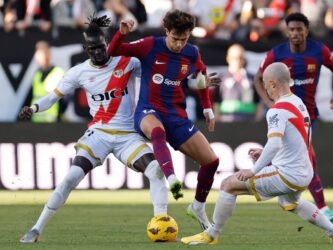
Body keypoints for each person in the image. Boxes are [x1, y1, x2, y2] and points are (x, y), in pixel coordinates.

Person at [18, 15, 168, 243]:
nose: (98, 53)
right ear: (85, 49)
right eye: (92, 50)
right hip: (98, 134)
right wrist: (34, 107)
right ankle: (37, 228)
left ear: (107, 43)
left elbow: (154, 77)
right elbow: (53, 97)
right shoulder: (78, 73)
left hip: (128, 136)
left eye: (101, 48)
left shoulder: (128, 62)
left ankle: (162, 224)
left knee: (156, 170)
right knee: (71, 177)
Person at [181, 62, 333, 245]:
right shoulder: (298, 102)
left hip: (288, 174)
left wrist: (253, 171)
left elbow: (275, 144)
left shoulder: (277, 110)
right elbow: (295, 141)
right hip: (305, 172)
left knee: (228, 185)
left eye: (266, 84)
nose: (266, 89)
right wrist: (264, 152)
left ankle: (211, 234)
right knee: (290, 203)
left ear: (273, 84)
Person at [107, 10, 221, 230]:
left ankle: (197, 206)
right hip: (148, 110)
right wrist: (120, 34)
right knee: (157, 131)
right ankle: (172, 180)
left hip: (176, 114)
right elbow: (114, 51)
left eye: (184, 39)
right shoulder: (150, 45)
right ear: (166, 31)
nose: (179, 44)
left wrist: (207, 108)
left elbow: (200, 80)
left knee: (212, 162)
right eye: (175, 39)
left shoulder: (191, 53)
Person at [254, 12, 333, 222]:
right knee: (304, 159)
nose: (296, 33)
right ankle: (318, 206)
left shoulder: (319, 50)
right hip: (285, 113)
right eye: (292, 29)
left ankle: (300, 201)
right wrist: (269, 102)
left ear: (307, 30)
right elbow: (259, 78)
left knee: (305, 158)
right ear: (287, 31)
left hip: (306, 115)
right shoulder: (276, 53)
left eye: (299, 29)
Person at [213, 44, 262, 122]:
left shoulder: (252, 79)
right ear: (228, 58)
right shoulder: (221, 78)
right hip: (226, 123)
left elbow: (258, 103)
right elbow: (216, 102)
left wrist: (257, 122)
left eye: (241, 58)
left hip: (248, 123)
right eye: (235, 58)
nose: (238, 61)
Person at [29, 41, 65, 123]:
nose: (36, 56)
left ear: (47, 54)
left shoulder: (58, 72)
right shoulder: (37, 73)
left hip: (52, 122)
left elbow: (64, 100)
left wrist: (59, 118)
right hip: (36, 120)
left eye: (39, 53)